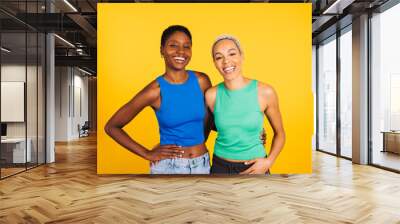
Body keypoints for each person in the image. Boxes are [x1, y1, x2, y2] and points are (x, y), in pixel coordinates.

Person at [104, 25, 213, 174]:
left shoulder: (202, 81)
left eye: (186, 46)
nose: (181, 51)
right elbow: (111, 127)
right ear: (162, 50)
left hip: (202, 164)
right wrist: (147, 153)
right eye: (173, 45)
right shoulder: (154, 91)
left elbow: (209, 120)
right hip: (169, 167)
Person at [205, 35, 286, 174]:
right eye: (219, 57)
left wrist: (268, 162)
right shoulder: (211, 95)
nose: (226, 61)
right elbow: (219, 126)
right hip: (220, 167)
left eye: (232, 53)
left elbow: (280, 133)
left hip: (255, 167)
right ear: (214, 63)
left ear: (241, 56)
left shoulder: (265, 92)